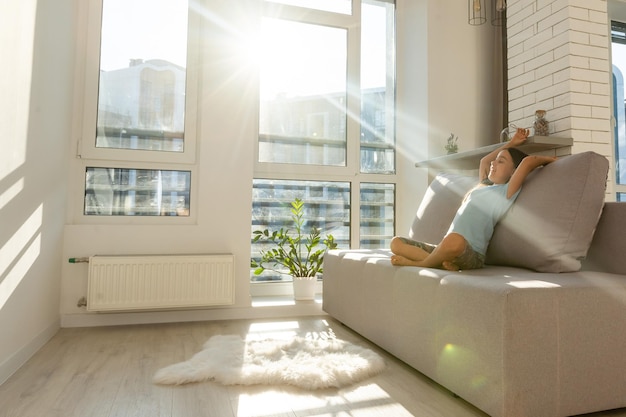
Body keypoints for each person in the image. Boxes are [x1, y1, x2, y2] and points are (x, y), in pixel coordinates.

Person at [390, 128, 557, 271]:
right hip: (446, 248)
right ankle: (440, 263)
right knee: (396, 243)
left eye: (501, 161)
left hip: (471, 253)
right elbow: (484, 161)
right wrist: (511, 143)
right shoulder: (483, 185)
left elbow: (528, 161)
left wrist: (551, 161)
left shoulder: (505, 191)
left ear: (513, 171)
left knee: (453, 240)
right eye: (496, 160)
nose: (493, 163)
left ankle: (422, 265)